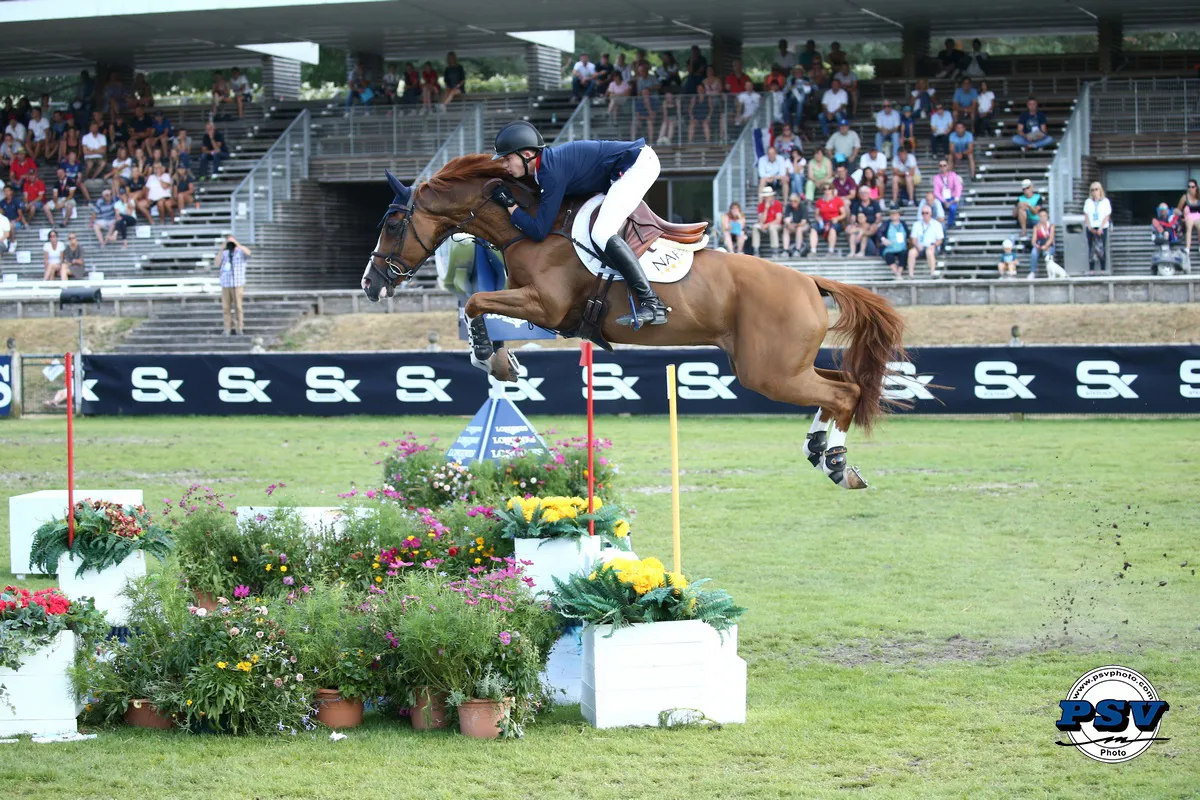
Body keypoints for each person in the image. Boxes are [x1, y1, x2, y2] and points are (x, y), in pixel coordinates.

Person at [490, 119, 669, 325]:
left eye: (507, 159)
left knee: (602, 233)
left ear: (527, 155)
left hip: (637, 165)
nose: (504, 165)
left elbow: (539, 231)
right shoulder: (545, 169)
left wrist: (510, 206)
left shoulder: (550, 173)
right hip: (622, 168)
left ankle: (653, 304)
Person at [217, 235, 251, 335]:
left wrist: (237, 244)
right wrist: (222, 248)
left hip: (237, 283)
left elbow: (248, 253)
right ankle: (227, 328)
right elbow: (217, 263)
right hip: (226, 284)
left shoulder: (240, 252)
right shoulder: (225, 253)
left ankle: (239, 327)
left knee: (238, 307)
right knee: (226, 307)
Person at [907, 205, 944, 278]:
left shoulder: (936, 224)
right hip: (920, 246)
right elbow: (913, 239)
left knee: (929, 252)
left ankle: (932, 273)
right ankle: (911, 275)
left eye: (927, 213)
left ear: (930, 213)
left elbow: (940, 240)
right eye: (923, 213)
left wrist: (934, 245)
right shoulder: (916, 224)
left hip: (931, 246)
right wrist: (917, 245)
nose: (925, 215)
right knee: (911, 252)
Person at [1083, 182, 1112, 275]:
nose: (1094, 192)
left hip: (1102, 227)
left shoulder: (1105, 201)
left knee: (1102, 248)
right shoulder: (1088, 202)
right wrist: (1089, 226)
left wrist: (1101, 228)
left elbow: (1107, 215)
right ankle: (1091, 269)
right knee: (1091, 247)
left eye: (1096, 189)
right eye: (1092, 190)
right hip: (1091, 227)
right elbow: (1086, 215)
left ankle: (1103, 269)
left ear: (1100, 190)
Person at [811, 183, 846, 256]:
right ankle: (813, 250)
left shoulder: (837, 200)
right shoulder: (820, 201)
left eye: (829, 188)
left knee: (832, 229)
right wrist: (819, 221)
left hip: (834, 221)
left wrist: (837, 218)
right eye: (825, 189)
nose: (827, 191)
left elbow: (844, 214)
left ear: (832, 190)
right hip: (823, 221)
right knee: (813, 229)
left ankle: (831, 250)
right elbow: (816, 214)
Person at [848, 185, 881, 257]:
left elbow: (878, 217)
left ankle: (862, 251)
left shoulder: (874, 203)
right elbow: (853, 217)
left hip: (870, 226)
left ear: (869, 194)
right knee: (852, 232)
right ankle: (852, 251)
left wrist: (875, 224)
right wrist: (853, 224)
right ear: (859, 195)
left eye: (865, 193)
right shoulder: (856, 204)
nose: (864, 194)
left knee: (865, 232)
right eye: (862, 193)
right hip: (859, 225)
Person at [752, 186, 783, 255]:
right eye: (765, 197)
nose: (765, 198)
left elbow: (778, 220)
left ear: (772, 196)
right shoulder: (761, 205)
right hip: (765, 225)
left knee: (772, 227)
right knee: (755, 227)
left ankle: (775, 250)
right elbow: (761, 220)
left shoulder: (778, 204)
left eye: (767, 196)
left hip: (775, 225)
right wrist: (766, 209)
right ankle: (756, 250)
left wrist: (767, 225)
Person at [932, 159, 963, 229]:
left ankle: (950, 224)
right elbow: (936, 192)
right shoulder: (936, 178)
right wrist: (944, 201)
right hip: (942, 198)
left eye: (944, 165)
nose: (942, 167)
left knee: (952, 208)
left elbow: (958, 186)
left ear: (948, 166)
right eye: (941, 166)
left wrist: (957, 197)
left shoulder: (953, 175)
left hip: (952, 197)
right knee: (936, 205)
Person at [880, 208, 909, 278]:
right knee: (889, 256)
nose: (894, 215)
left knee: (904, 255)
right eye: (892, 214)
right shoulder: (886, 224)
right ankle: (897, 274)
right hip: (890, 247)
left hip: (902, 247)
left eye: (896, 213)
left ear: (899, 215)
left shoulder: (903, 224)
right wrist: (884, 239)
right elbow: (880, 232)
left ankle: (899, 273)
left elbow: (908, 234)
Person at [781, 192, 809, 257]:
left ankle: (798, 250)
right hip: (793, 225)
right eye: (791, 201)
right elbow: (786, 220)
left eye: (795, 201)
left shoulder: (803, 207)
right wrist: (789, 225)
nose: (793, 202)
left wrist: (795, 225)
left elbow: (804, 222)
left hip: (802, 225)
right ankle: (786, 250)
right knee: (786, 229)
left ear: (798, 200)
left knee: (799, 229)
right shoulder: (788, 207)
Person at [1029, 208, 1055, 278]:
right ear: (1039, 217)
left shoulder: (1051, 226)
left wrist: (1046, 246)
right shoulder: (1036, 227)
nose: (1043, 218)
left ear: (1047, 216)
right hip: (1039, 245)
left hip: (1049, 246)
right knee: (1034, 252)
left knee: (1046, 253)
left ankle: (1050, 273)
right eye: (1041, 216)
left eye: (1044, 216)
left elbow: (1051, 238)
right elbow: (1033, 240)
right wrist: (1036, 245)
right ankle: (1032, 272)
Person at [1176, 179, 1200, 255]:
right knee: (1189, 227)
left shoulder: (1199, 196)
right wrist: (1182, 214)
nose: (1191, 189)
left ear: (1196, 187)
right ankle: (1187, 248)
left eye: (1193, 187)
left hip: (1198, 215)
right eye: (1189, 187)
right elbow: (1178, 209)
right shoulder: (1184, 197)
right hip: (1188, 215)